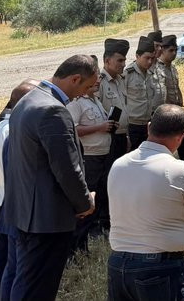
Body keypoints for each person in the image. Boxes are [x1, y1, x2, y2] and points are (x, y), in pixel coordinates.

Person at [0, 56, 98, 301]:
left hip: (23, 211)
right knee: (36, 288)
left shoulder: (28, 99)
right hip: (46, 220)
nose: (84, 94)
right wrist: (85, 203)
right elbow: (67, 169)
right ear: (75, 79)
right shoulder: (53, 110)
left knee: (19, 278)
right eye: (86, 87)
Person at [107, 104, 184, 301]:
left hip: (118, 263)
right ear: (181, 138)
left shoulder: (118, 164)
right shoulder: (180, 169)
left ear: (149, 127)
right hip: (158, 266)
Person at [0, 79, 39, 301]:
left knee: (7, 256)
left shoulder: (4, 125)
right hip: (6, 198)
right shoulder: (12, 130)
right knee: (10, 260)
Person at [67, 67, 115, 252]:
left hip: (103, 154)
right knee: (88, 200)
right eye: (95, 78)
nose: (99, 81)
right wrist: (99, 127)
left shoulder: (95, 100)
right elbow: (73, 129)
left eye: (100, 77)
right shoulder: (77, 103)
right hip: (89, 157)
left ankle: (93, 231)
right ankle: (79, 244)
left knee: (101, 195)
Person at [154, 33, 184, 162]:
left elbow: (176, 88)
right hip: (165, 113)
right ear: (162, 50)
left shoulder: (173, 68)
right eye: (170, 50)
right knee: (164, 144)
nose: (174, 53)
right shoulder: (157, 69)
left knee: (183, 141)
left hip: (176, 110)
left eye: (176, 50)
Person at [124, 35, 165, 151]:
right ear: (137, 56)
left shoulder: (150, 74)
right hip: (132, 125)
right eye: (146, 58)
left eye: (152, 58)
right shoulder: (128, 74)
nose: (150, 61)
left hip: (147, 124)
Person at [97, 38, 131, 162]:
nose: (124, 64)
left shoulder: (120, 80)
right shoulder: (99, 82)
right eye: (120, 60)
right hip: (108, 138)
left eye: (124, 60)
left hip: (122, 135)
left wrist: (126, 136)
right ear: (107, 61)